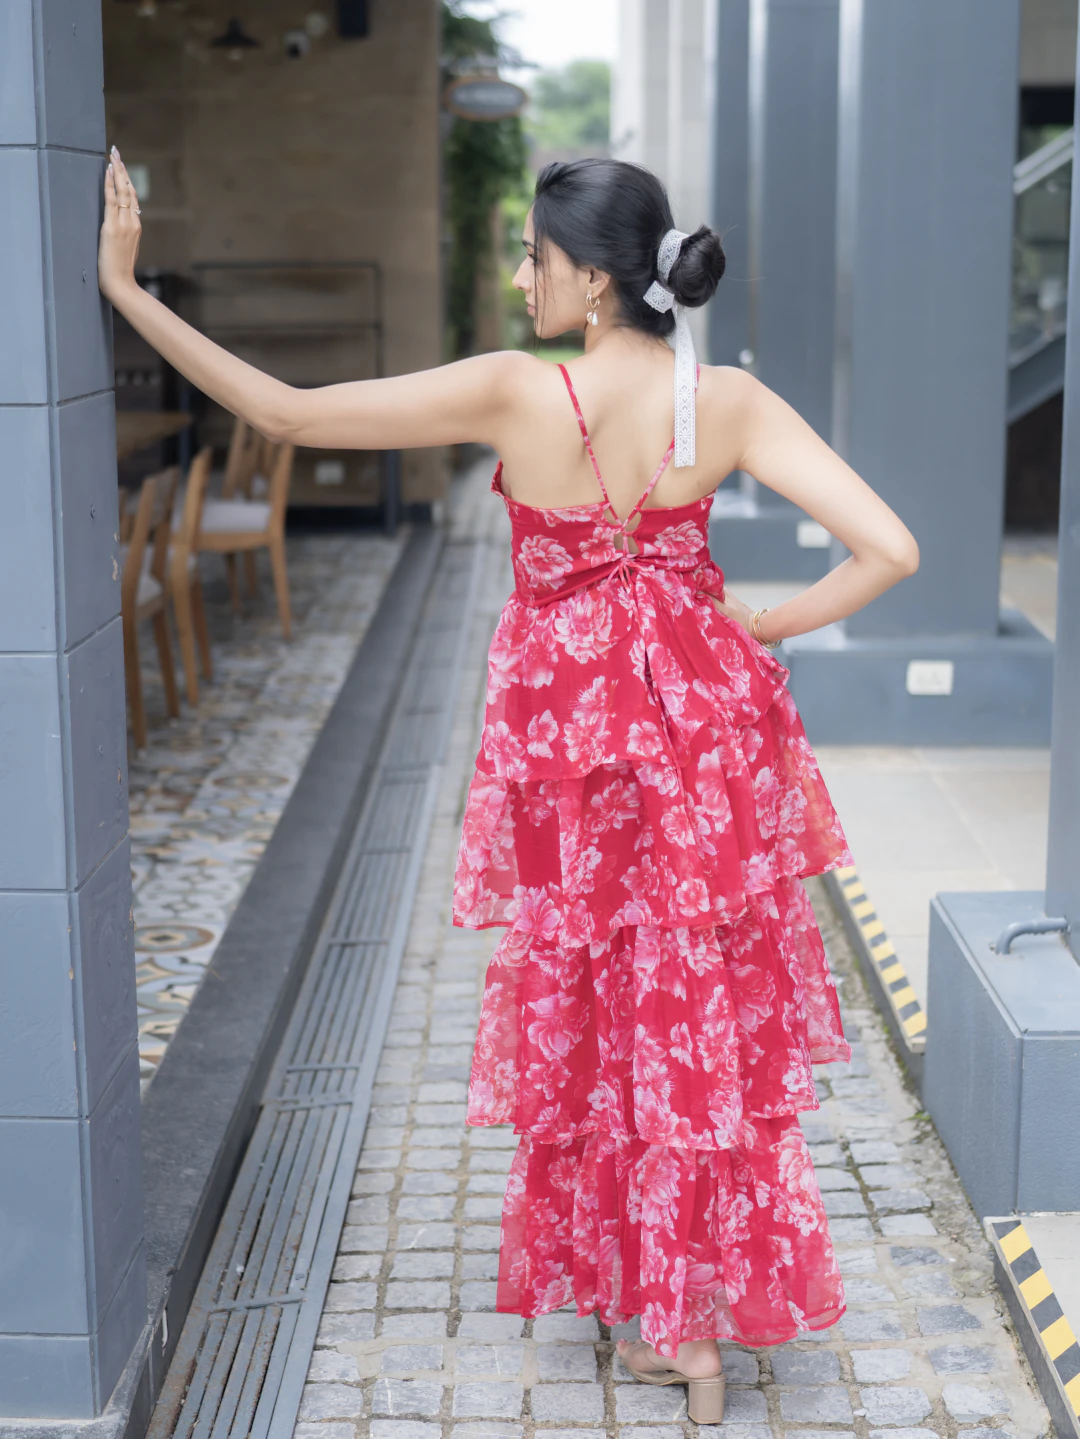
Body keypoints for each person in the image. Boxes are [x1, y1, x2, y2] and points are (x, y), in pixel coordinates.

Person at [99, 149, 917, 1423]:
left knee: (602, 1016)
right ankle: (689, 1330)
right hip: (701, 752)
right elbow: (894, 549)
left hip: (576, 767)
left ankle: (663, 1323)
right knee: (691, 1020)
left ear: (594, 280)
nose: (517, 273)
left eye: (533, 256)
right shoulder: (731, 403)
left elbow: (292, 412)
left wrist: (128, 292)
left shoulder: (514, 394)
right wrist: (765, 622)